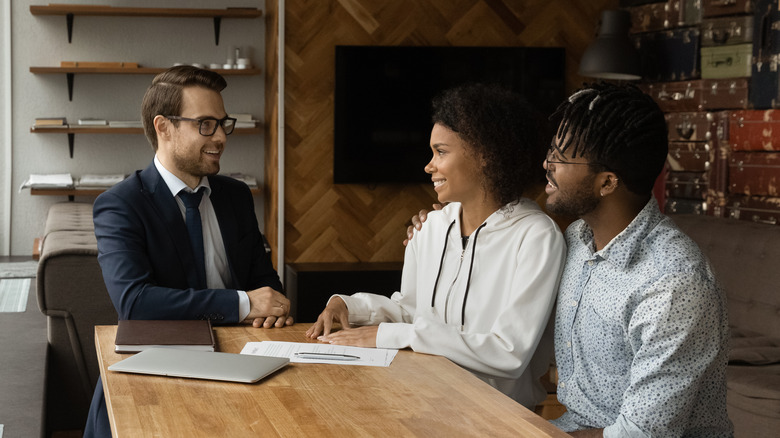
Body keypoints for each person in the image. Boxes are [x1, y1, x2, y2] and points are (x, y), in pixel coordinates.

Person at [409, 82, 733, 437]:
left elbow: (640, 434)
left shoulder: (673, 284)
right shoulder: (576, 241)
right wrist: (439, 233)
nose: (546, 164)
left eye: (561, 158)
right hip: (568, 428)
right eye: (552, 149)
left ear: (607, 182)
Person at [306, 83, 566, 409]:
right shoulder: (430, 228)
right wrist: (349, 307)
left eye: (441, 152)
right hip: (423, 401)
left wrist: (394, 335)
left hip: (499, 418)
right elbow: (412, 311)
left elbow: (508, 353)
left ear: (486, 155)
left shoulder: (537, 238)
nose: (429, 165)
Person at [84, 66, 292, 437]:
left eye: (223, 124)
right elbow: (135, 303)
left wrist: (272, 308)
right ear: (163, 127)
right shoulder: (120, 205)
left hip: (244, 369)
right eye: (205, 125)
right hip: (153, 375)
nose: (220, 138)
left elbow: (265, 284)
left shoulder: (236, 196)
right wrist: (243, 305)